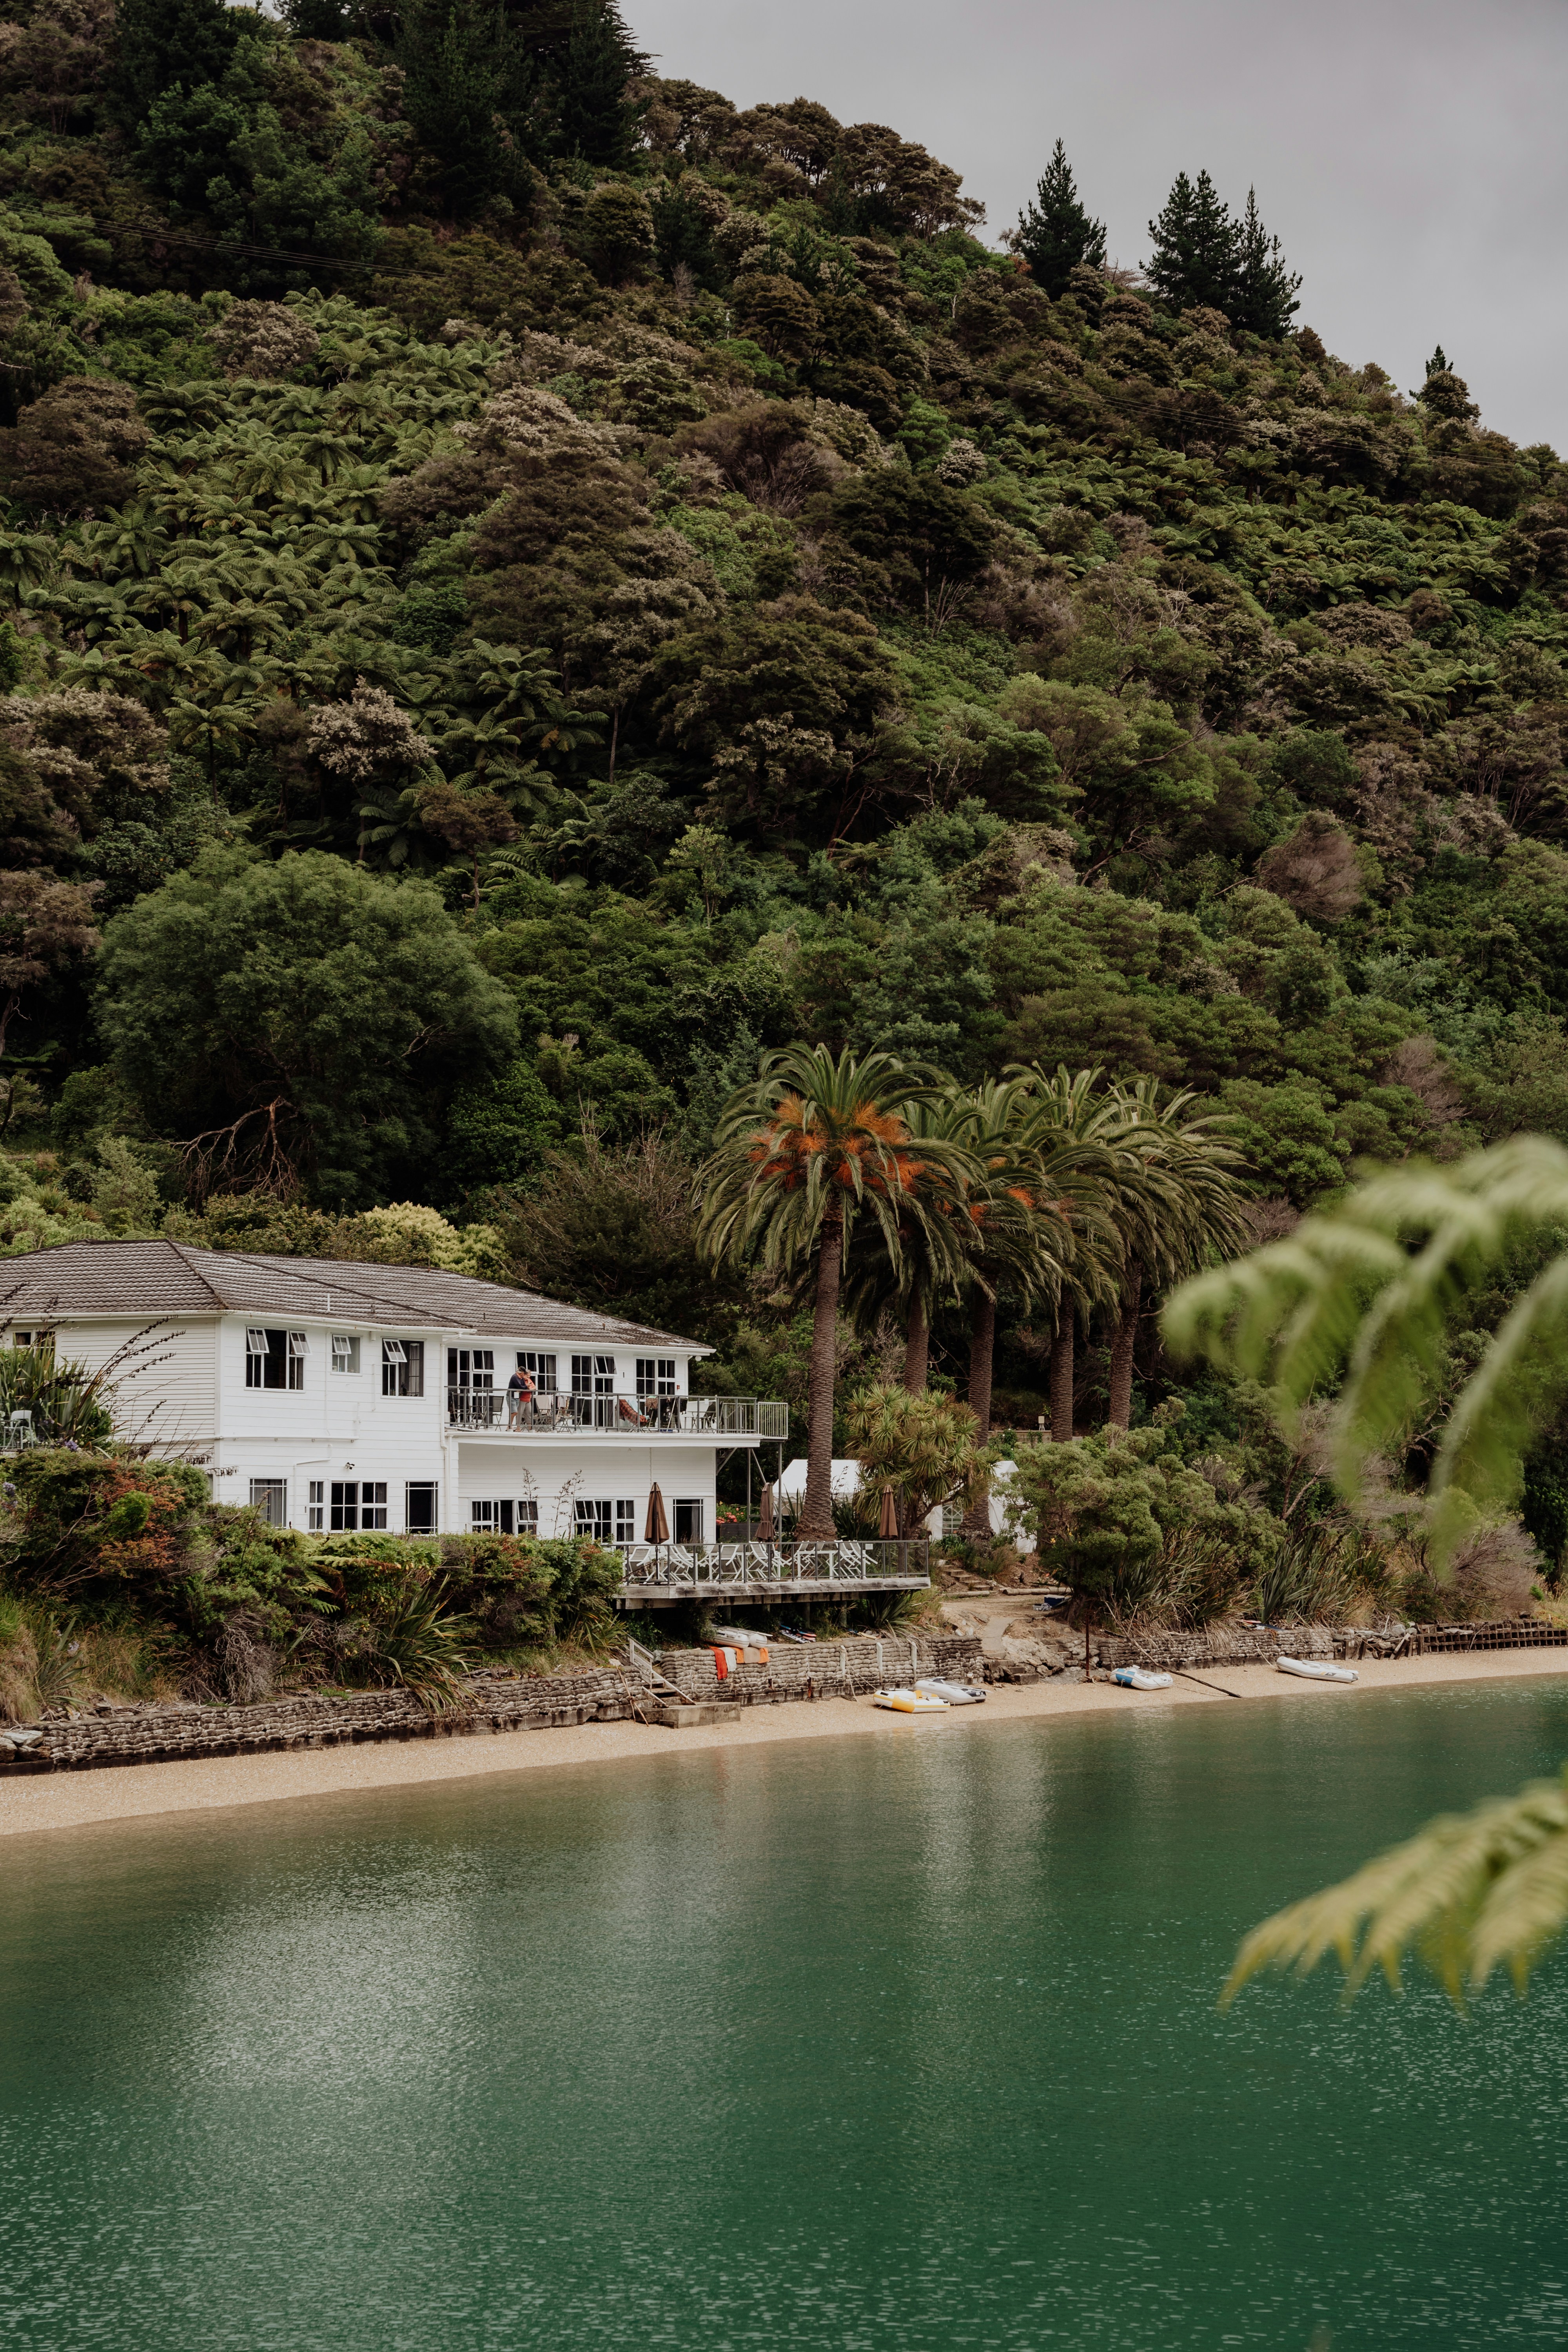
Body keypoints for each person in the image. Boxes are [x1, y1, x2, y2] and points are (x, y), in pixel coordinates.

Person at [508, 1363, 536, 1429]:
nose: (528, 1377)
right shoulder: (521, 1380)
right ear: (524, 1374)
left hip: (528, 1399)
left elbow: (534, 1388)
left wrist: (529, 1388)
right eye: (527, 1375)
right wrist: (528, 1388)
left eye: (529, 1375)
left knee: (529, 1414)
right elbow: (522, 1389)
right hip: (521, 1399)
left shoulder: (528, 1380)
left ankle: (530, 1428)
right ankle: (517, 1428)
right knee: (519, 1414)